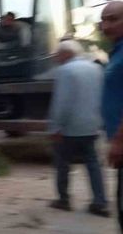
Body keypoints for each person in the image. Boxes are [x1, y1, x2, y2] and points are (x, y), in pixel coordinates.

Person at [47, 39, 109, 216]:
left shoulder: (65, 71)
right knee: (93, 164)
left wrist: (56, 127)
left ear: (66, 54)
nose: (56, 58)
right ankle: (100, 202)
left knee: (62, 163)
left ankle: (64, 200)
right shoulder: (96, 68)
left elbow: (62, 103)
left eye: (58, 55)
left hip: (70, 128)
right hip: (92, 125)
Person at [101, 1, 123, 234]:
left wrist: (119, 140)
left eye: (113, 19)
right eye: (104, 20)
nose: (106, 25)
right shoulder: (117, 50)